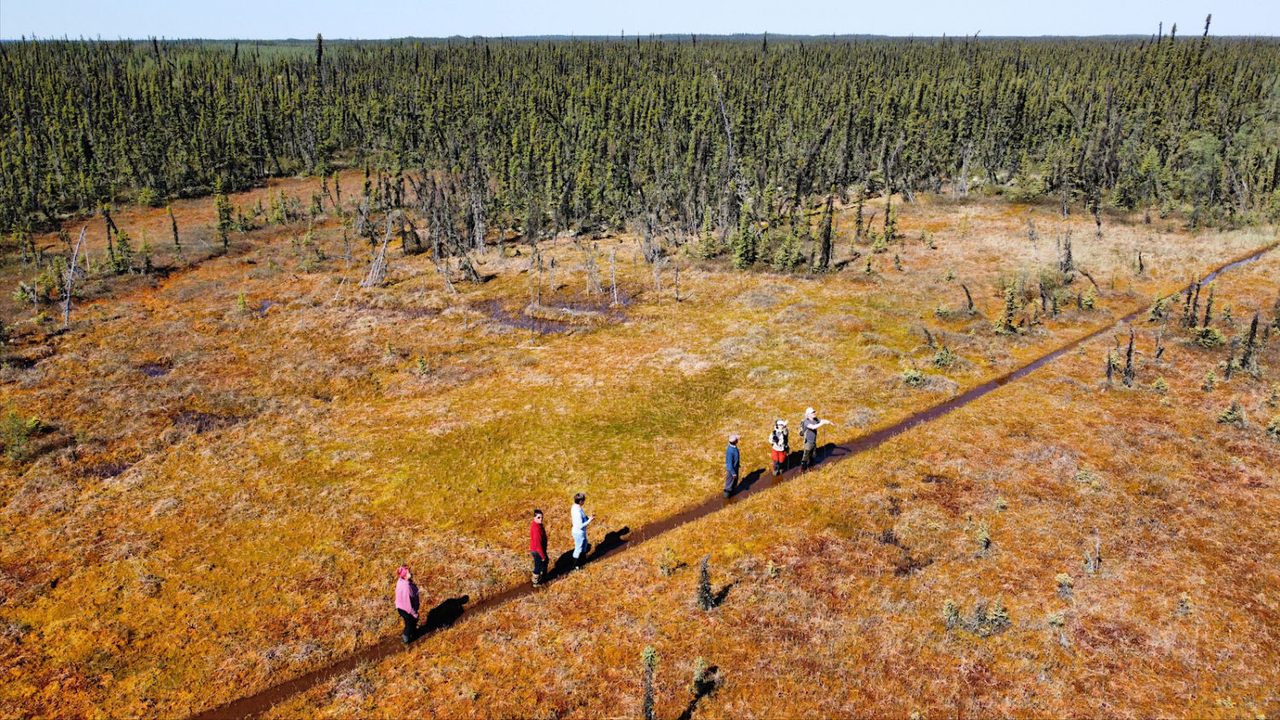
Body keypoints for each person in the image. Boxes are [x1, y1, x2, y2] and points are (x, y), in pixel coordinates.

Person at [799, 407, 833, 472]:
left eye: (814, 412)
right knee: (806, 455)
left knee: (813, 455)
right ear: (808, 414)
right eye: (813, 412)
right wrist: (822, 423)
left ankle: (811, 467)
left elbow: (823, 421)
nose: (815, 413)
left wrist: (829, 422)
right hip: (808, 442)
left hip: (813, 441)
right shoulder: (806, 422)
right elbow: (813, 427)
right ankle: (803, 469)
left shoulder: (815, 419)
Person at [394, 565, 420, 644]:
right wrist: (414, 613)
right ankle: (405, 639)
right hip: (406, 609)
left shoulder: (401, 581)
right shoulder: (406, 587)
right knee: (409, 623)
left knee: (412, 621)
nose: (411, 574)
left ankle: (412, 632)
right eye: (408, 573)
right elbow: (408, 605)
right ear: (404, 576)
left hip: (401, 607)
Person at [571, 493, 592, 569]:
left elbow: (583, 516)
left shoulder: (576, 506)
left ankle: (583, 561)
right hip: (578, 533)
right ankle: (575, 565)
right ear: (580, 501)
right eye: (583, 500)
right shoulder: (577, 512)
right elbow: (580, 525)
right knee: (578, 548)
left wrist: (587, 518)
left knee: (585, 544)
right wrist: (589, 520)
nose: (584, 501)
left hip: (581, 532)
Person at [530, 508, 548, 586]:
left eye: (541, 517)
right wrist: (543, 556)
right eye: (538, 517)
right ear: (534, 518)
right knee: (538, 565)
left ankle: (542, 576)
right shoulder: (536, 529)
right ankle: (535, 582)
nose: (541, 519)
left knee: (545, 562)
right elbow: (538, 545)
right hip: (537, 551)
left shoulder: (537, 524)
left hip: (538, 549)